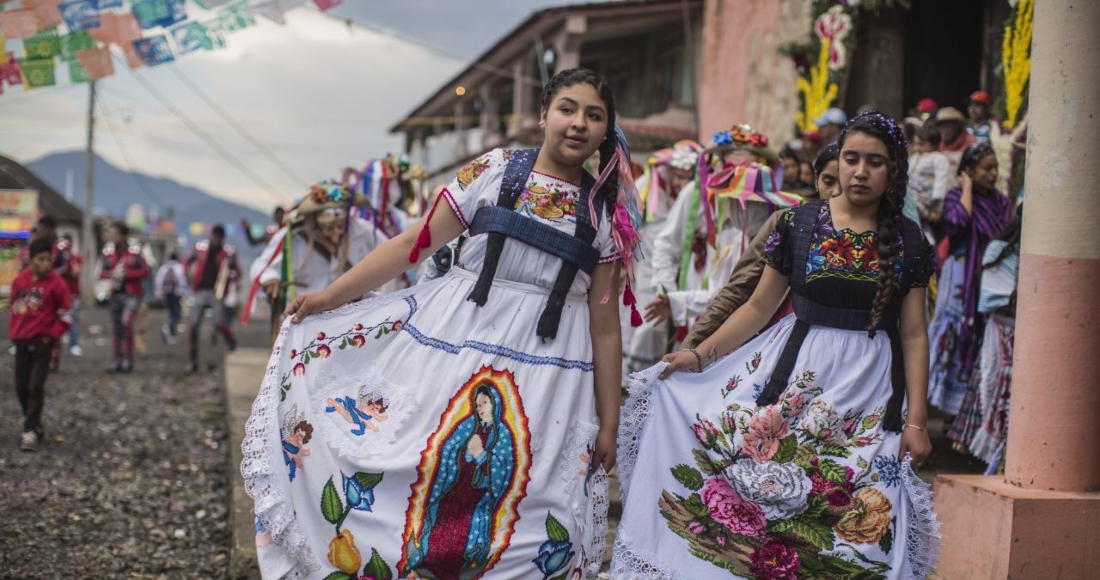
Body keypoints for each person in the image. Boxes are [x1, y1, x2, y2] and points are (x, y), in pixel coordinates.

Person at [242, 68, 641, 580]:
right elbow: (414, 244)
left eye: (594, 115)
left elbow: (605, 325)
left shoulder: (606, 213)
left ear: (606, 131)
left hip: (552, 383)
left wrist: (608, 422)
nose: (577, 124)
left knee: (536, 505)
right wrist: (329, 297)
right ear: (543, 116)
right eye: (567, 108)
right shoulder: (493, 172)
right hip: (453, 349)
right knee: (421, 468)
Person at [612, 111, 939, 579]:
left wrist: (919, 421)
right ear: (838, 162)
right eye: (851, 159)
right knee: (766, 510)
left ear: (895, 170)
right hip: (792, 383)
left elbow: (913, 333)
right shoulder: (798, 224)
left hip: (871, 398)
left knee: (856, 523)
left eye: (876, 162)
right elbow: (757, 308)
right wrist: (699, 355)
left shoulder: (910, 241)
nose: (861, 172)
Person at [682, 143, 840, 350]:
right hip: (784, 345)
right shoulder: (789, 223)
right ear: (816, 180)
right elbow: (744, 296)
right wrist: (692, 349)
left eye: (756, 204)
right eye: (828, 181)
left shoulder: (889, 232)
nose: (837, 192)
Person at [645, 124, 789, 342]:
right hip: (699, 301)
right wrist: (669, 293)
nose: (741, 177)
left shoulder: (768, 209)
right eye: (733, 168)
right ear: (718, 164)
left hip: (745, 310)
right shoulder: (695, 196)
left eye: (749, 170)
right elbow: (666, 245)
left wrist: (677, 303)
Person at [928, 142, 1013, 416]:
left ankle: (964, 412)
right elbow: (957, 224)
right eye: (987, 169)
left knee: (979, 336)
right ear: (970, 171)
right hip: (960, 279)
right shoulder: (956, 196)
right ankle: (939, 401)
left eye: (995, 168)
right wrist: (966, 188)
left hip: (988, 281)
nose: (993, 174)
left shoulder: (1000, 202)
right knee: (954, 333)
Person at [623, 140, 702, 374]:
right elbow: (625, 221)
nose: (681, 182)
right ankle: (637, 371)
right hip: (648, 262)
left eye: (688, 176)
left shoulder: (694, 195)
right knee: (650, 317)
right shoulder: (648, 184)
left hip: (683, 263)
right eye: (678, 176)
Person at [962, 207, 1021, 473]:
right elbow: (992, 297)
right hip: (1001, 332)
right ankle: (994, 461)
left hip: (1025, 333)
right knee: (993, 389)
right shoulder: (998, 249)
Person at [9, 238, 71, 452]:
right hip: (21, 340)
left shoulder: (57, 284)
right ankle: (35, 423)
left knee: (35, 386)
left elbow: (66, 316)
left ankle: (29, 430)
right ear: (31, 260)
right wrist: (14, 333)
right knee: (20, 386)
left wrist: (50, 336)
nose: (46, 263)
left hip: (42, 343)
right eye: (41, 259)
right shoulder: (19, 281)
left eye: (49, 259)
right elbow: (14, 308)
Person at [184, 225, 239, 374]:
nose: (215, 239)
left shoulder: (228, 254)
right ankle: (192, 361)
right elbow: (187, 262)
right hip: (200, 291)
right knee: (194, 325)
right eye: (214, 236)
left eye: (218, 237)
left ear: (222, 238)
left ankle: (230, 340)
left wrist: (228, 279)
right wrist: (188, 275)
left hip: (217, 293)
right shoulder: (200, 249)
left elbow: (237, 273)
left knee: (217, 323)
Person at [99, 223, 149, 373]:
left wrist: (128, 274)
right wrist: (111, 274)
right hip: (114, 293)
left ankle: (128, 359)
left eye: (116, 234)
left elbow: (145, 271)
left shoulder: (135, 252)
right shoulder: (108, 252)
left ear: (124, 235)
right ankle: (117, 360)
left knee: (126, 323)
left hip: (131, 293)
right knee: (116, 328)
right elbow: (102, 272)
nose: (113, 237)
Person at [907, 123, 954, 242]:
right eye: (916, 144)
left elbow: (941, 178)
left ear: (934, 144)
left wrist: (937, 198)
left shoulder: (938, 158)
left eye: (921, 144)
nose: (917, 148)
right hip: (912, 193)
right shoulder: (914, 158)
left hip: (927, 197)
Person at [57, 233, 83, 357]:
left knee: (74, 321)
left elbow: (75, 272)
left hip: (73, 294)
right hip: (60, 295)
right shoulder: (58, 258)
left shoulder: (76, 257)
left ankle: (74, 345)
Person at [156, 251, 187, 345]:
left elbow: (159, 281)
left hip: (167, 293)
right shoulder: (179, 267)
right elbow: (182, 281)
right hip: (176, 294)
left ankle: (171, 334)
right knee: (177, 314)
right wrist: (184, 292)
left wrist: (159, 292)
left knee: (171, 313)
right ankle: (168, 328)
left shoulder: (164, 268)